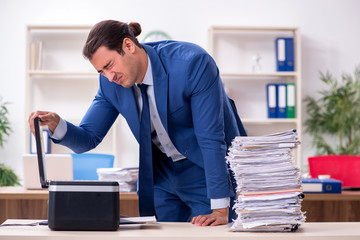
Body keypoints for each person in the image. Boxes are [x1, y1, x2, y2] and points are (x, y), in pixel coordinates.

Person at [28, 20, 246, 226]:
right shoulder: (110, 84)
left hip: (204, 170)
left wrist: (220, 208)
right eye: (101, 71)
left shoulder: (192, 63)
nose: (108, 76)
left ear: (128, 45)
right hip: (162, 176)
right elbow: (88, 138)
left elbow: (211, 138)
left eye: (109, 65)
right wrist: (57, 125)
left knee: (207, 235)